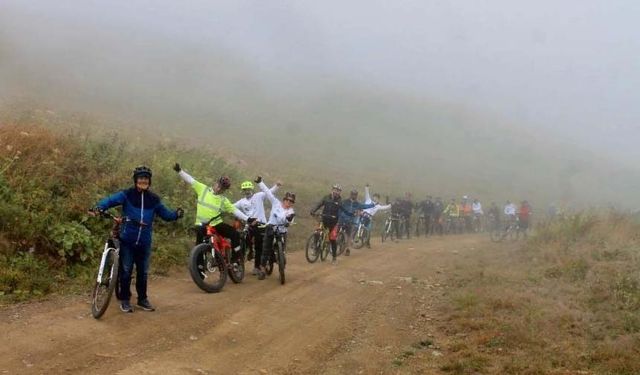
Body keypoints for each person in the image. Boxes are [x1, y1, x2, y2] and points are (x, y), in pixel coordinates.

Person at [93, 166, 184, 313]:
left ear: (149, 181)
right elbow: (110, 200)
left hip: (144, 242)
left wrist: (176, 214)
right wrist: (99, 207)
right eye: (141, 178)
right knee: (126, 270)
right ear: (136, 180)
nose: (143, 181)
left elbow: (166, 215)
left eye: (146, 179)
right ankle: (125, 300)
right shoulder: (127, 195)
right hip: (128, 240)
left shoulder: (154, 199)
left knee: (143, 272)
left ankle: (142, 299)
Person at [173, 163, 254, 259]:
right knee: (198, 250)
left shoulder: (223, 200)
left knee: (235, 234)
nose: (219, 189)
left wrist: (248, 219)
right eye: (219, 186)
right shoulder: (203, 189)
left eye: (222, 189)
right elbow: (190, 180)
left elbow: (234, 210)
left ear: (224, 190)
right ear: (216, 183)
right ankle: (199, 269)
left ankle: (235, 260)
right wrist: (179, 171)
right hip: (201, 224)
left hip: (216, 224)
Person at [234, 180, 280, 276]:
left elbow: (269, 192)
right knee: (243, 243)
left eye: (248, 189)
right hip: (249, 225)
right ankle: (240, 263)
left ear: (252, 189)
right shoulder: (241, 202)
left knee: (259, 245)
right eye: (245, 189)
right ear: (243, 191)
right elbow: (230, 207)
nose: (247, 191)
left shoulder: (259, 196)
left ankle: (257, 266)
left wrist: (277, 185)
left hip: (261, 224)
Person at [254, 176, 296, 280]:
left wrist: (289, 221)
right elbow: (267, 192)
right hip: (270, 228)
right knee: (266, 249)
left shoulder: (291, 211)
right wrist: (260, 182)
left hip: (282, 231)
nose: (289, 203)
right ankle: (262, 268)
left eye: (291, 201)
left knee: (283, 251)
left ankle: (281, 265)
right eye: (288, 200)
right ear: (284, 200)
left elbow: (290, 220)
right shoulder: (276, 202)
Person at [310, 184, 350, 264]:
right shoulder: (326, 197)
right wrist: (313, 210)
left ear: (340, 193)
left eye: (338, 191)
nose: (336, 192)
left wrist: (352, 214)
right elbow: (319, 204)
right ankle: (315, 248)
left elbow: (345, 210)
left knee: (332, 239)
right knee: (317, 233)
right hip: (324, 219)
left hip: (333, 222)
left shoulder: (339, 201)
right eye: (335, 190)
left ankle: (334, 258)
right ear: (332, 190)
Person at [339, 189, 375, 254]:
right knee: (338, 232)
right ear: (350, 194)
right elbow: (339, 208)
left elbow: (365, 206)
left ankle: (347, 249)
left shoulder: (358, 204)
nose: (354, 196)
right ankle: (337, 244)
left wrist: (372, 205)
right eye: (353, 194)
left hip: (350, 221)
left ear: (356, 196)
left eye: (355, 195)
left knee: (348, 235)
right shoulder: (345, 201)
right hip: (342, 219)